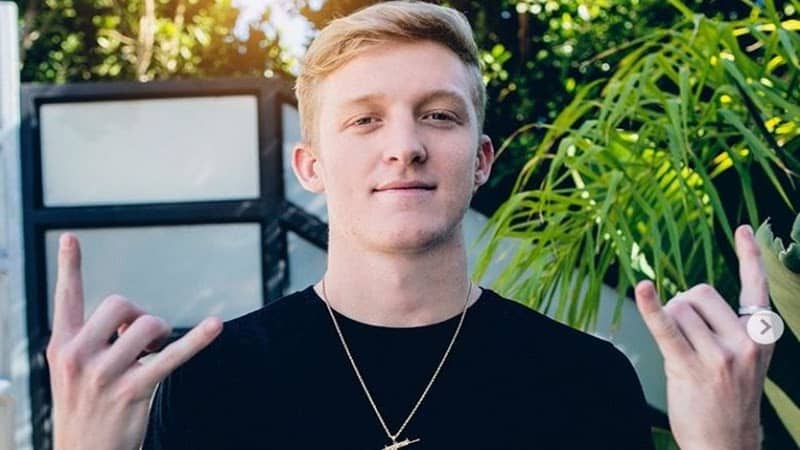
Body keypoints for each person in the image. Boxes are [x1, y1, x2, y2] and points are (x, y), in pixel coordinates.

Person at [46, 2, 775, 449]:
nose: (405, 146)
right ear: (310, 165)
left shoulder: (586, 380)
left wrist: (729, 443)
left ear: (482, 160)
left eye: (439, 115)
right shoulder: (213, 380)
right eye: (365, 120)